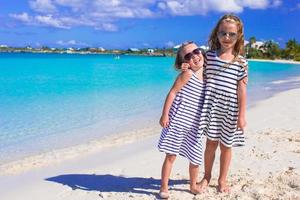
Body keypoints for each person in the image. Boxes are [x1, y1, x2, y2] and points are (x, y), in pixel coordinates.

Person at [196, 14, 248, 193]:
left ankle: (222, 180)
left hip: (230, 110)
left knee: (226, 146)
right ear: (216, 34)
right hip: (211, 107)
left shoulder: (241, 62)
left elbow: (242, 90)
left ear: (239, 36)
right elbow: (197, 76)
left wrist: (242, 115)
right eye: (223, 33)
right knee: (210, 144)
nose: (227, 37)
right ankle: (206, 176)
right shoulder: (208, 57)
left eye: (231, 34)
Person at [157, 42, 205, 198]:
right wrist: (165, 115)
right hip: (178, 121)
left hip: (196, 124)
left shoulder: (208, 73)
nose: (195, 56)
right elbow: (172, 93)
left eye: (197, 51)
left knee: (196, 157)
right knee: (171, 155)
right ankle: (164, 187)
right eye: (189, 56)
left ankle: (193, 185)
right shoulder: (187, 74)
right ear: (184, 62)